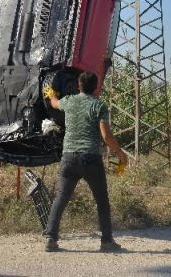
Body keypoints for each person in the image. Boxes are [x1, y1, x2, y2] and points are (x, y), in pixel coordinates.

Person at [42, 71, 128, 252]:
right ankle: (106, 242)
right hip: (90, 159)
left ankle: (50, 238)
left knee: (61, 198)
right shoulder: (99, 106)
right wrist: (120, 153)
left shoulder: (70, 101)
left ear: (79, 86)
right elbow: (106, 136)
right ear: (95, 87)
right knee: (102, 200)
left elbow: (55, 103)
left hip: (69, 157)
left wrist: (52, 94)